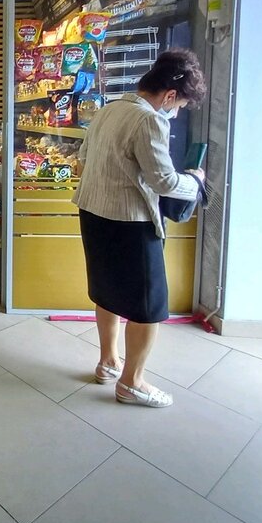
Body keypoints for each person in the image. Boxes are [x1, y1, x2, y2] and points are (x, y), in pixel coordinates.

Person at [75, 49, 207, 408]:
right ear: (169, 95)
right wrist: (195, 181)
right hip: (130, 223)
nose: (176, 112)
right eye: (179, 105)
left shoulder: (108, 109)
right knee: (149, 306)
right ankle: (132, 383)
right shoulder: (149, 120)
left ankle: (108, 362)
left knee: (106, 291)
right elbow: (164, 181)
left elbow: (83, 158)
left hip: (93, 213)